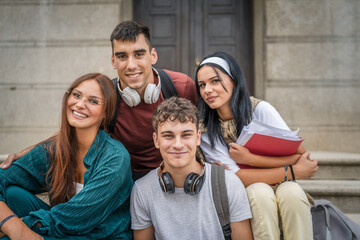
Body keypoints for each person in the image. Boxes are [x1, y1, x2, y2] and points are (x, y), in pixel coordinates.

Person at [2, 20, 197, 181]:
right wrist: (27, 151)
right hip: (125, 179)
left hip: (173, 174)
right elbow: (76, 129)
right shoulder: (106, 95)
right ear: (113, 61)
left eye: (139, 54)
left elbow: (199, 132)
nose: (131, 65)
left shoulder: (180, 86)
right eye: (122, 56)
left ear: (152, 56)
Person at [195, 51, 318, 240]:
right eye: (202, 85)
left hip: (282, 183)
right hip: (246, 191)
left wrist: (249, 159)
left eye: (215, 81)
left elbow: (302, 157)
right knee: (259, 192)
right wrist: (292, 171)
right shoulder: (206, 131)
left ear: (234, 80)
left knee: (292, 192)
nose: (207, 90)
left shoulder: (260, 109)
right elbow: (239, 178)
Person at [0, 73, 133, 239]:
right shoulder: (54, 149)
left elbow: (73, 218)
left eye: (93, 101)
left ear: (106, 112)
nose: (80, 104)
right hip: (62, 228)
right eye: (76, 95)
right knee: (11, 194)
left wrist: (17, 227)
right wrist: (9, 223)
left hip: (101, 235)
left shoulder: (115, 158)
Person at [130, 97, 253, 240]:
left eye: (186, 135)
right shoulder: (142, 190)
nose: (177, 144)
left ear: (198, 138)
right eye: (168, 136)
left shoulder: (229, 183)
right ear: (156, 140)